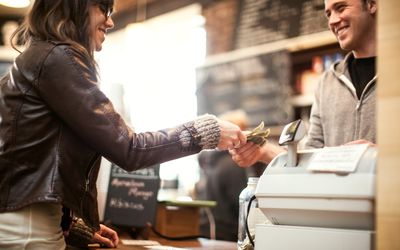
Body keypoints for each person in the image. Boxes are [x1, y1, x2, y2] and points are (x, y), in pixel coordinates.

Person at [0, 0, 247, 249]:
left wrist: (69, 226)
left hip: (27, 223)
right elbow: (129, 149)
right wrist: (205, 132)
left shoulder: (41, 57)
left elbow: (32, 158)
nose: (110, 21)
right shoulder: (58, 57)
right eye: (103, 9)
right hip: (28, 229)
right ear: (75, 5)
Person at [230, 0, 377, 167]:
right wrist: (263, 151)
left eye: (341, 8)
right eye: (328, 14)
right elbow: (311, 157)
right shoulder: (327, 82)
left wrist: (381, 155)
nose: (332, 21)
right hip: (335, 194)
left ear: (372, 4)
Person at [196, 110, 265, 241]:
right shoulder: (234, 164)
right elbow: (243, 205)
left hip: (206, 231)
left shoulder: (210, 161)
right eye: (244, 130)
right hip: (228, 235)